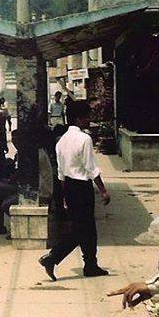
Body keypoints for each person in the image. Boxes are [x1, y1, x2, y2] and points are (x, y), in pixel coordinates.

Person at [38, 100, 111, 281]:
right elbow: (91, 168)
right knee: (82, 229)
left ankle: (90, 264)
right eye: (87, 116)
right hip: (82, 188)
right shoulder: (84, 139)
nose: (89, 120)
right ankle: (53, 257)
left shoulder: (61, 141)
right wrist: (102, 190)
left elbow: (61, 173)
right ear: (79, 119)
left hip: (69, 187)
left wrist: (63, 196)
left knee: (87, 228)